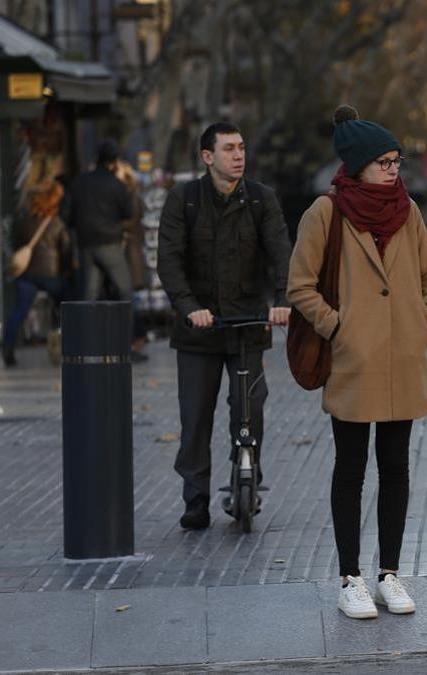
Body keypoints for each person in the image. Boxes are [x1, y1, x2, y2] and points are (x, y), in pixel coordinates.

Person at [288, 105, 427, 621]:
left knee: (395, 468)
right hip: (353, 360)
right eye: (383, 162)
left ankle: (390, 575)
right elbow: (300, 287)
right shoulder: (326, 212)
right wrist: (339, 326)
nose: (393, 169)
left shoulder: (408, 210)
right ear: (357, 166)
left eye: (397, 160)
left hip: (403, 356)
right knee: (350, 469)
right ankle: (350, 578)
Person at [156, 122, 292, 531]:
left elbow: (282, 252)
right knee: (195, 418)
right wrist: (188, 307)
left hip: (248, 325)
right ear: (207, 156)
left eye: (242, 147)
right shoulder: (184, 201)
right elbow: (169, 260)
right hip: (199, 330)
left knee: (249, 408)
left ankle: (247, 478)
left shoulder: (261, 200)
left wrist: (284, 301)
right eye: (229, 148)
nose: (239, 155)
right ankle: (195, 497)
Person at [1, 181, 74, 367]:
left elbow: (15, 243)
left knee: (19, 310)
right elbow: (66, 249)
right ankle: (68, 345)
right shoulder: (56, 222)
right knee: (68, 306)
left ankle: (8, 349)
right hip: (51, 274)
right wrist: (67, 271)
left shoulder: (22, 221)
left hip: (26, 275)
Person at [64, 141, 135, 304]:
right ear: (113, 162)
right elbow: (128, 213)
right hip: (110, 242)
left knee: (89, 294)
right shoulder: (117, 185)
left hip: (86, 244)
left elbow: (66, 215)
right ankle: (129, 328)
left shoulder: (79, 182)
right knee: (125, 291)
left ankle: (88, 329)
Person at [114, 160, 149, 362]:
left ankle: (137, 338)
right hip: (125, 252)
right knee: (127, 298)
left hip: (129, 254)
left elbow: (130, 221)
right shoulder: (125, 195)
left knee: (129, 298)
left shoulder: (131, 197)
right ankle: (136, 338)